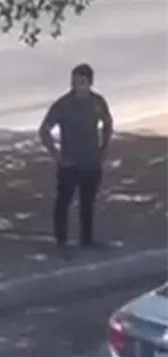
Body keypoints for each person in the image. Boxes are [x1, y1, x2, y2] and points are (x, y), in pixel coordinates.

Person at [38, 63, 113, 253]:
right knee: (63, 202)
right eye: (73, 82)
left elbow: (107, 122)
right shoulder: (64, 104)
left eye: (81, 82)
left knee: (88, 202)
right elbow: (44, 129)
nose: (76, 86)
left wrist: (104, 147)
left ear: (89, 83)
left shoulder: (97, 102)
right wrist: (55, 154)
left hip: (91, 160)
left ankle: (87, 239)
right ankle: (61, 241)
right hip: (70, 161)